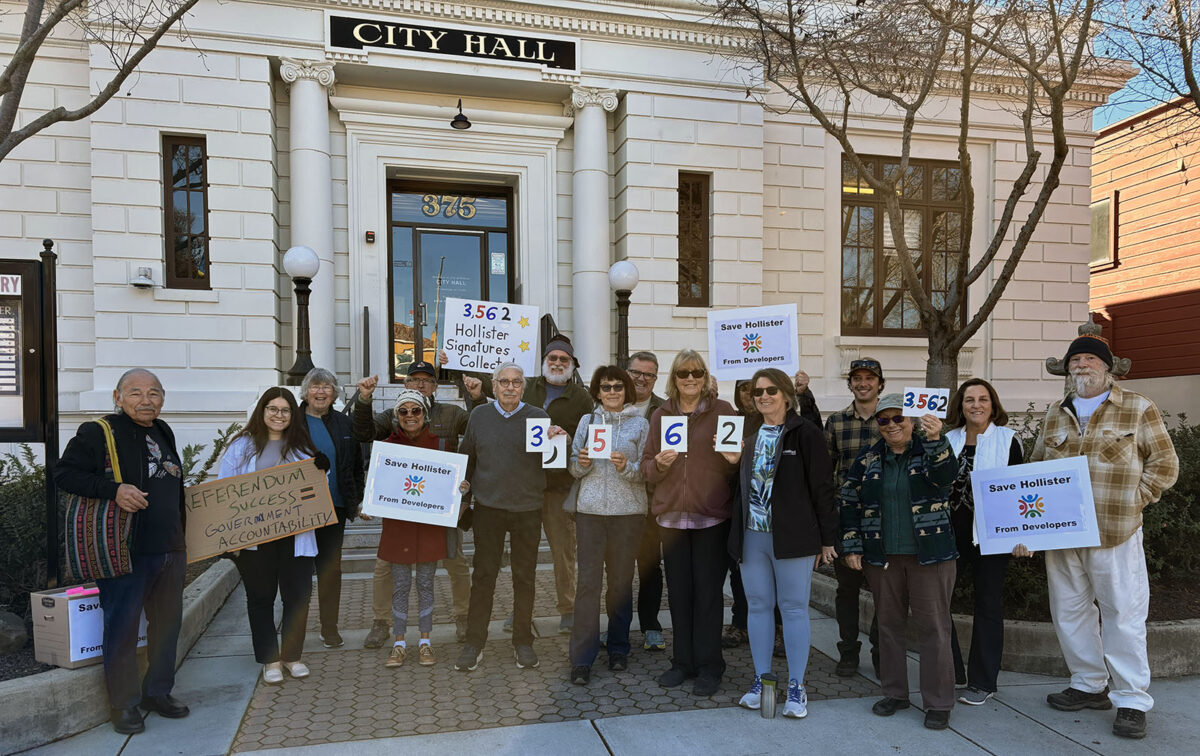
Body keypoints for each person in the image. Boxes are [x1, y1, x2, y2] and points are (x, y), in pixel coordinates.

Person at [1032, 333, 1178, 740]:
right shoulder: (1054, 413)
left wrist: (1138, 499)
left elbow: (1165, 463)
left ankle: (1131, 699)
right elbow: (1036, 468)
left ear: (1107, 367)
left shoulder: (1137, 407)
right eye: (1075, 360)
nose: (1081, 365)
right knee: (1070, 612)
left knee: (1124, 615)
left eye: (1089, 360)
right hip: (1062, 535)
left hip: (1115, 530)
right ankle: (1088, 684)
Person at [55, 369, 189, 734]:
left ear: (163, 398)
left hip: (170, 548)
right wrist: (112, 489)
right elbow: (63, 474)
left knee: (167, 627)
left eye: (154, 393)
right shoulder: (97, 432)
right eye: (136, 392)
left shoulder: (163, 431)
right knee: (123, 628)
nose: (146, 400)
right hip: (126, 551)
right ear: (117, 396)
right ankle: (124, 704)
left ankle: (157, 692)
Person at [839, 394, 959, 730]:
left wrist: (936, 439)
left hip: (930, 555)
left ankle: (938, 701)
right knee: (888, 626)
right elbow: (849, 502)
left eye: (898, 418)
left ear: (912, 420)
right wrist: (852, 545)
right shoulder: (869, 457)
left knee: (934, 629)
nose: (892, 425)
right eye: (883, 420)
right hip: (882, 557)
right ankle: (895, 692)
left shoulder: (931, 448)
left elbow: (947, 477)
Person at [725, 369, 837, 719]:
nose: (763, 396)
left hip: (793, 538)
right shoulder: (748, 431)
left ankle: (797, 686)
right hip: (752, 535)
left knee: (792, 608)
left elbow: (823, 488)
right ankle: (762, 680)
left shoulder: (805, 433)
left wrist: (828, 539)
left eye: (771, 390)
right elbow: (735, 484)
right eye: (757, 391)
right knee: (757, 606)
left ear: (787, 395)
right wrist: (731, 466)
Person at [355, 361, 476, 646]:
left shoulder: (451, 412)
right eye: (414, 379)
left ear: (435, 386)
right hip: (402, 507)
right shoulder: (393, 415)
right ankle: (381, 622)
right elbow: (364, 433)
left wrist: (476, 396)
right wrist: (363, 400)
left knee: (456, 561)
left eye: (426, 380)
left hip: (440, 508)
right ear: (406, 384)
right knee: (385, 565)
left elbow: (478, 428)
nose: (420, 384)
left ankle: (463, 616)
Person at [455, 362, 565, 672]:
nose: (510, 387)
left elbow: (553, 466)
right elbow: (468, 460)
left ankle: (522, 642)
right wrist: (463, 496)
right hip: (488, 508)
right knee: (484, 577)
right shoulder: (479, 416)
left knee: (524, 578)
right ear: (494, 385)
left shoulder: (539, 418)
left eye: (516, 381)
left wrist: (558, 441)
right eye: (504, 381)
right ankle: (475, 643)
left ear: (524, 386)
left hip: (527, 508)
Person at [642, 349, 738, 697]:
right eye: (683, 373)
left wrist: (733, 459)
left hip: (711, 518)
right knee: (679, 595)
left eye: (697, 372)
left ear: (704, 376)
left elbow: (733, 467)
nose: (690, 378)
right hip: (671, 519)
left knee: (709, 595)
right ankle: (682, 662)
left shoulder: (723, 411)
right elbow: (646, 467)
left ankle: (710, 666)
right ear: (675, 378)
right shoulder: (661, 414)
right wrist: (661, 466)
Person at [219, 387, 323, 685]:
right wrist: (232, 538)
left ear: (293, 415)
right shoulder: (241, 446)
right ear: (262, 412)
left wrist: (321, 469)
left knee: (297, 597)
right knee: (261, 599)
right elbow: (226, 491)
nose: (279, 415)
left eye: (285, 410)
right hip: (256, 539)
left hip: (295, 537)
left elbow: (316, 491)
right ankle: (270, 659)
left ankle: (292, 656)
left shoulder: (303, 448)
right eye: (273, 409)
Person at [944, 378, 1030, 706]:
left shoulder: (1008, 440)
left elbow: (1022, 490)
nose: (976, 405)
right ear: (960, 406)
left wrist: (1023, 538)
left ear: (993, 404)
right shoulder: (947, 439)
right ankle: (950, 671)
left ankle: (983, 681)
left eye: (983, 399)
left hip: (993, 538)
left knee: (988, 604)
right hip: (950, 536)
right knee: (939, 602)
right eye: (969, 399)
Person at [567, 366, 649, 685]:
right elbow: (573, 467)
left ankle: (618, 647)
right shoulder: (587, 422)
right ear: (597, 392)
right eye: (605, 387)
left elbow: (648, 470)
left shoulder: (641, 424)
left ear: (626, 390)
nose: (612, 391)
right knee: (587, 585)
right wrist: (582, 464)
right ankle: (582, 657)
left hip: (627, 515)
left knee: (619, 584)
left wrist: (627, 467)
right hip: (590, 514)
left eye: (617, 386)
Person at [375, 389, 468, 669]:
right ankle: (399, 643)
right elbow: (379, 486)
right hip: (399, 527)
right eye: (403, 411)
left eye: (415, 410)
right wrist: (368, 503)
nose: (410, 416)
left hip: (429, 527)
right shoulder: (387, 447)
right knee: (401, 586)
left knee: (426, 584)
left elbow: (452, 482)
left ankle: (425, 642)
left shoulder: (440, 445)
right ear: (397, 417)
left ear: (424, 414)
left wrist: (461, 487)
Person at [823, 357, 884, 677]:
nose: (863, 383)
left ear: (880, 383)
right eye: (857, 378)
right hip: (846, 520)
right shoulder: (835, 422)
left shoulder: (893, 419)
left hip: (883, 520)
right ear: (849, 384)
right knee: (846, 590)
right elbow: (823, 473)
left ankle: (880, 650)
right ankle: (848, 651)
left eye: (869, 378)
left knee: (882, 591)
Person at [299, 368, 364, 649]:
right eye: (315, 386)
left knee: (329, 570)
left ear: (334, 393)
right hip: (297, 509)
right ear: (305, 391)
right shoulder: (292, 421)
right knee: (297, 572)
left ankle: (329, 627)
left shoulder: (343, 423)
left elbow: (356, 463)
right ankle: (294, 629)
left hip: (333, 507)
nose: (321, 391)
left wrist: (358, 498)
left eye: (327, 386)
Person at [628, 351, 667, 652]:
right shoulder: (610, 404)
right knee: (618, 570)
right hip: (618, 503)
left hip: (652, 502)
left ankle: (651, 625)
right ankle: (618, 626)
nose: (641, 378)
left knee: (650, 568)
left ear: (656, 378)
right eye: (636, 372)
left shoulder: (665, 411)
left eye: (648, 374)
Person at [720, 379, 761, 650]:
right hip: (736, 506)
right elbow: (723, 467)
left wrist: (805, 397)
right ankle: (741, 622)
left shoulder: (778, 420)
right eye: (744, 388)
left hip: (768, 508)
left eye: (755, 388)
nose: (749, 394)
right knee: (738, 569)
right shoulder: (731, 420)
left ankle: (776, 625)